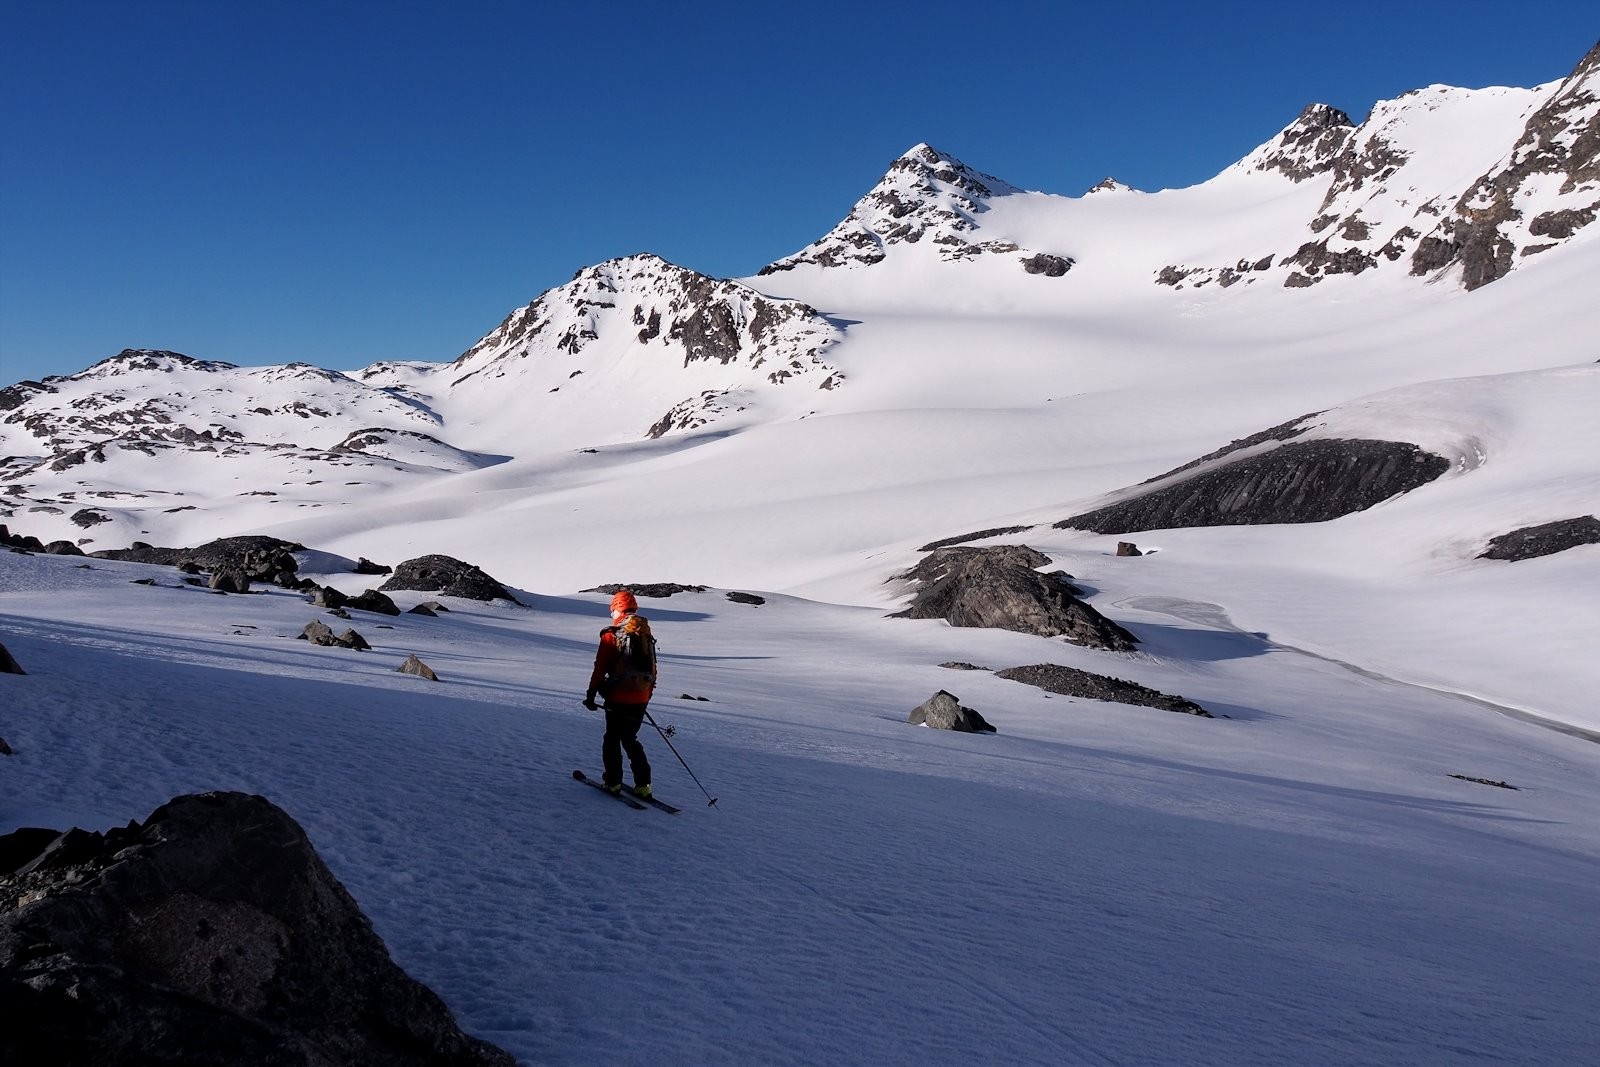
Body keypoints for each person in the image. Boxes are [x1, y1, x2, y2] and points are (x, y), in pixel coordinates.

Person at [583, 589, 655, 797]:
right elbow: (653, 669)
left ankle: (613, 782)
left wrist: (591, 694)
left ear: (616, 609)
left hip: (617, 697)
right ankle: (643, 786)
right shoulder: (645, 633)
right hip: (640, 696)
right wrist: (646, 696)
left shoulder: (611, 635)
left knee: (612, 739)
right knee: (630, 738)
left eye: (612, 611)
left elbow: (600, 667)